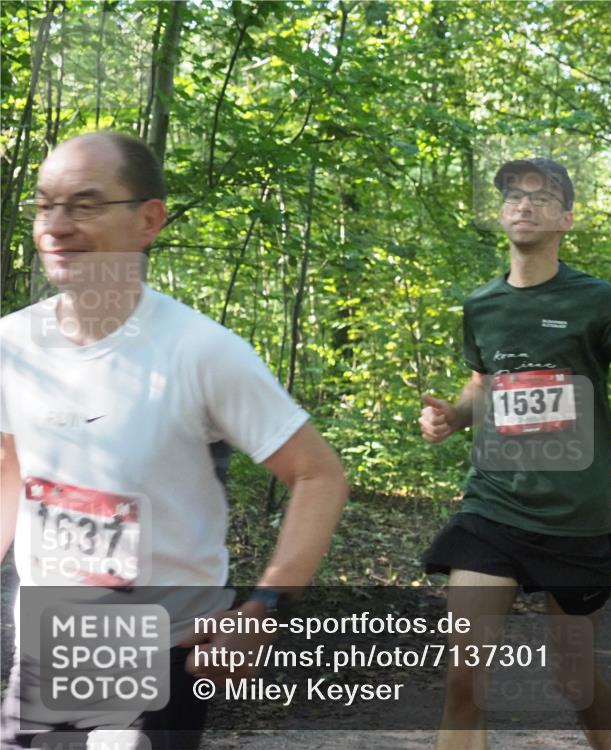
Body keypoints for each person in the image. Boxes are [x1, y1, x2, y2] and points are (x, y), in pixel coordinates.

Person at [0, 132, 349, 749]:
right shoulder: (12, 346)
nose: (57, 225)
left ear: (149, 220)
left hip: (158, 652)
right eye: (45, 205)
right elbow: (11, 466)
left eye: (84, 204)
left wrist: (264, 610)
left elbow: (319, 477)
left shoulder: (200, 351)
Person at [418, 156, 611, 750]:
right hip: (492, 509)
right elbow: (484, 382)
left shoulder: (597, 301)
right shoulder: (481, 304)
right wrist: (456, 416)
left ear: (566, 216)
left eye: (541, 195)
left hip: (573, 521)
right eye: (513, 194)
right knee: (463, 679)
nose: (523, 203)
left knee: (574, 680)